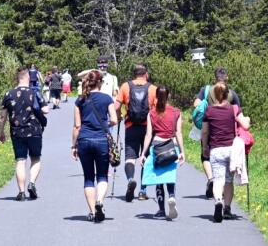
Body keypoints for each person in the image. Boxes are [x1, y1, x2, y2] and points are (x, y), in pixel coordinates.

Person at [72, 70, 119, 222]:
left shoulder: (80, 100)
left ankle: (92, 211)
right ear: (100, 83)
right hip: (101, 141)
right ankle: (100, 201)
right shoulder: (107, 99)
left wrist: (73, 146)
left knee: (88, 178)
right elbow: (114, 119)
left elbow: (77, 126)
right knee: (102, 175)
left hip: (84, 140)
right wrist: (105, 124)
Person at [0, 66, 50, 201]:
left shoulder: (8, 94)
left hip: (17, 132)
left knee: (20, 161)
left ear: (17, 78)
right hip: (34, 131)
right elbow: (46, 110)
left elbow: (2, 116)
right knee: (35, 158)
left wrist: (1, 132)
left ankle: (21, 192)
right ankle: (32, 183)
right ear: (28, 77)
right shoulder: (35, 93)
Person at [201, 82, 250, 222]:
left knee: (218, 179)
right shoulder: (234, 109)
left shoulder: (209, 111)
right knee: (228, 181)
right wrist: (248, 119)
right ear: (228, 95)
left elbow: (204, 132)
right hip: (231, 150)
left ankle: (218, 200)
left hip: (216, 150)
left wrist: (205, 147)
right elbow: (245, 126)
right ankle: (227, 209)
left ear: (213, 95)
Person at [193, 67, 244, 198]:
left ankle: (211, 179)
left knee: (206, 156)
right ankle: (223, 190)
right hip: (227, 132)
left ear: (215, 78)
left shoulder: (206, 90)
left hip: (209, 126)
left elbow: (196, 104)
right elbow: (239, 112)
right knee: (226, 161)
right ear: (226, 78)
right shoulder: (231, 93)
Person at [140, 85, 185, 219]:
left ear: (156, 97)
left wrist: (143, 153)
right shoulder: (176, 112)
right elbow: (178, 133)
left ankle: (161, 210)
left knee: (159, 179)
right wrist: (182, 152)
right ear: (169, 96)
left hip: (157, 146)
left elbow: (148, 134)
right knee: (170, 176)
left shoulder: (152, 113)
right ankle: (171, 196)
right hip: (172, 146)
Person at [115, 64, 157, 202]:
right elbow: (158, 110)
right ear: (146, 74)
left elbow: (116, 106)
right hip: (148, 129)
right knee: (145, 158)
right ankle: (142, 191)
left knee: (130, 158)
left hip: (131, 126)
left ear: (134, 74)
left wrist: (118, 116)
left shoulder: (126, 86)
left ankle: (130, 179)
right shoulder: (152, 89)